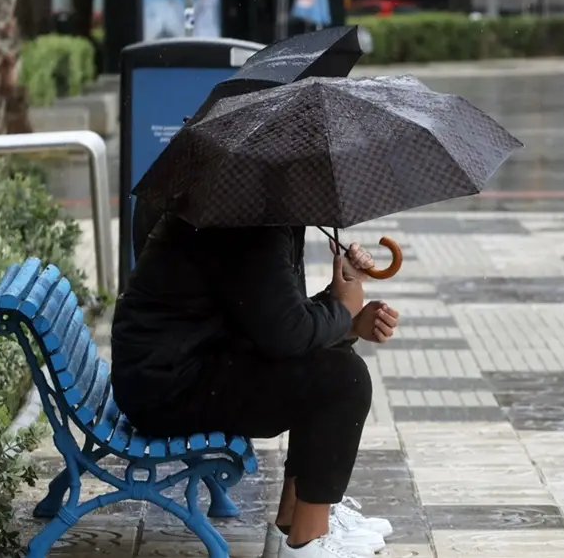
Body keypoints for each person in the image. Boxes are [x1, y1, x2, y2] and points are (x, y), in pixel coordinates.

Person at [111, 216, 400, 558]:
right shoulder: (251, 226)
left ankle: (293, 524)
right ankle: (306, 543)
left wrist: (347, 320)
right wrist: (341, 310)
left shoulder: (261, 217)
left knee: (330, 367)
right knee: (343, 380)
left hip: (180, 370)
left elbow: (276, 317)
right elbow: (286, 335)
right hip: (167, 389)